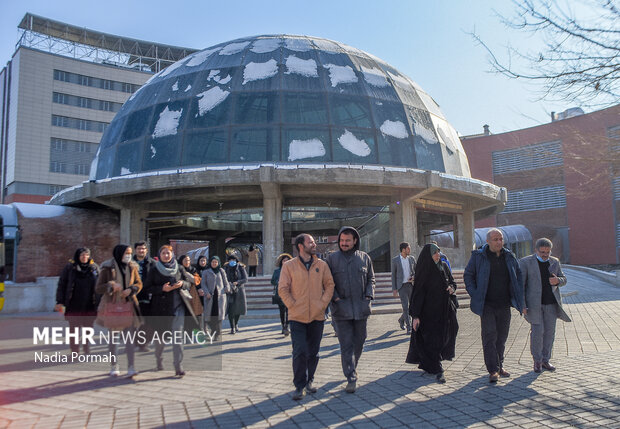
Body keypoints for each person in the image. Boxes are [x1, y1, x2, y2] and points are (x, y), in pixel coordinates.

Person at [464, 228, 525, 383]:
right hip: (487, 304)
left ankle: (499, 365)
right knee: (490, 336)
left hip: (504, 304)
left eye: (501, 239)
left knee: (502, 337)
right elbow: (468, 275)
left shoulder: (509, 256)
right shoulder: (479, 256)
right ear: (488, 241)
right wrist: (475, 293)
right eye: (495, 239)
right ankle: (492, 370)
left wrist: (520, 300)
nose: (499, 242)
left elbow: (518, 277)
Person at [278, 234, 335, 400]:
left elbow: (329, 285)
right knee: (300, 351)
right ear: (301, 246)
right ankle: (299, 385)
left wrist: (322, 304)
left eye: (314, 242)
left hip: (317, 316)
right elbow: (283, 288)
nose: (314, 244)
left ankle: (310, 380)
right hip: (297, 317)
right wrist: (293, 305)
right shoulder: (289, 266)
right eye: (311, 242)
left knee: (314, 353)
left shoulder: (321, 265)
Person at [326, 226, 375, 393]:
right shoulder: (332, 259)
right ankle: (351, 377)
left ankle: (352, 365)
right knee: (346, 344)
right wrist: (336, 298)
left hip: (361, 308)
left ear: (355, 241)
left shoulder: (364, 258)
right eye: (341, 240)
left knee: (360, 341)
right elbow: (327, 282)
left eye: (347, 240)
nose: (344, 243)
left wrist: (368, 296)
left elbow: (371, 279)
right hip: (341, 310)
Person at [406, 244, 458, 383]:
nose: (438, 254)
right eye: (434, 252)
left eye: (438, 251)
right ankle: (438, 368)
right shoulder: (424, 270)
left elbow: (453, 282)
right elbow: (418, 294)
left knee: (448, 334)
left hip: (445, 310)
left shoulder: (444, 267)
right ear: (428, 255)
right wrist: (415, 316)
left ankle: (431, 362)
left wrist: (452, 288)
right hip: (428, 312)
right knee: (432, 339)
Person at [520, 238, 571, 373]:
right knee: (537, 333)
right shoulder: (525, 263)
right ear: (536, 250)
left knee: (549, 333)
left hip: (551, 304)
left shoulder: (555, 262)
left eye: (547, 252)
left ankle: (545, 360)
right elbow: (521, 286)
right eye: (542, 252)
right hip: (534, 305)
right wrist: (522, 305)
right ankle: (537, 361)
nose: (545, 255)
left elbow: (564, 279)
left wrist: (557, 281)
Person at [145, 245, 196, 377]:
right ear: (159, 255)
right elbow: (147, 288)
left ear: (172, 254)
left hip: (177, 307)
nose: (166, 255)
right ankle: (159, 360)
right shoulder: (154, 269)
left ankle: (178, 366)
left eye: (168, 253)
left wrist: (181, 284)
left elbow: (188, 283)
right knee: (160, 340)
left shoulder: (179, 268)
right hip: (160, 309)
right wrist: (162, 289)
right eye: (163, 253)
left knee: (177, 339)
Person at [95, 244, 142, 377]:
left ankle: (131, 366)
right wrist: (111, 285)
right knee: (113, 339)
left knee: (129, 339)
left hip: (129, 307)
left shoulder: (133, 267)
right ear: (119, 253)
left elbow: (139, 283)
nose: (129, 255)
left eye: (130, 253)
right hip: (112, 307)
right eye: (126, 253)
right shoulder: (107, 268)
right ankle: (114, 365)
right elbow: (98, 288)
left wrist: (131, 289)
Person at [55, 247, 100, 354]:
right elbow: (62, 285)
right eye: (82, 255)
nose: (85, 257)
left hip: (90, 304)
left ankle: (86, 349)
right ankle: (74, 351)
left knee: (88, 329)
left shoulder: (94, 268)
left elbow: (99, 286)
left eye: (87, 255)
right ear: (77, 256)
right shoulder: (70, 268)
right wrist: (59, 301)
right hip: (73, 304)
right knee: (74, 331)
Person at [133, 241, 156, 352]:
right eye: (139, 248)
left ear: (146, 250)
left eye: (143, 249)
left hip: (147, 296)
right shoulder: (129, 263)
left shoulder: (152, 263)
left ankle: (143, 343)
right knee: (132, 321)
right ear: (135, 250)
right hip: (132, 296)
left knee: (147, 322)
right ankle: (134, 342)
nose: (141, 250)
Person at [201, 256, 230, 341]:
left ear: (218, 263)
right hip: (210, 297)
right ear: (210, 262)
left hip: (220, 297)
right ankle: (213, 331)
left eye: (216, 262)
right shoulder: (206, 272)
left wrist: (226, 288)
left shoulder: (221, 271)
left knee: (219, 316)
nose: (214, 264)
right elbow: (203, 284)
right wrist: (206, 293)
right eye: (213, 262)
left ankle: (216, 333)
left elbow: (226, 282)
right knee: (210, 316)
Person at [391, 242, 416, 334]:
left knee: (412, 306)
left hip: (411, 285)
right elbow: (393, 275)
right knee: (405, 307)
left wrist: (414, 277)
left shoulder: (412, 259)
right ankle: (409, 327)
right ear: (403, 249)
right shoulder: (395, 260)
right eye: (408, 248)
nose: (410, 250)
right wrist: (394, 289)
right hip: (401, 286)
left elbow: (417, 271)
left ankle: (401, 319)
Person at [178, 254, 203, 333]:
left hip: (193, 294)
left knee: (195, 313)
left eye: (188, 260)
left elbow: (197, 280)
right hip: (181, 294)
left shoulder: (193, 269)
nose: (187, 262)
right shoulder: (177, 269)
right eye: (185, 260)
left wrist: (187, 274)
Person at [224, 255, 248, 334]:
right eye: (230, 260)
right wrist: (228, 284)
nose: (232, 261)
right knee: (231, 309)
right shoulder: (226, 267)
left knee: (238, 309)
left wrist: (237, 282)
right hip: (230, 290)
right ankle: (232, 327)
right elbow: (223, 278)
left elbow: (245, 279)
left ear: (236, 260)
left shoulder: (241, 267)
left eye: (234, 259)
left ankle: (236, 323)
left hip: (239, 290)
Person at [271, 253, 293, 336]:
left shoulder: (293, 270)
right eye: (284, 261)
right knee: (282, 311)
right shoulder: (277, 271)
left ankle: (286, 326)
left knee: (289, 310)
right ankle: (283, 325)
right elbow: (272, 281)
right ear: (281, 262)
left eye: (288, 260)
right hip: (280, 293)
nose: (286, 262)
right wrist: (278, 282)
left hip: (290, 293)